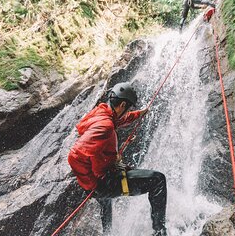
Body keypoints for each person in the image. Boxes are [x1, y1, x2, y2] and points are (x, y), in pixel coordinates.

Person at [68, 82, 167, 236]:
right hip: (103, 181)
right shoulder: (105, 125)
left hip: (99, 174)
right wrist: (94, 185)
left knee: (106, 202)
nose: (129, 111)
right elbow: (75, 156)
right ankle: (160, 232)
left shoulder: (101, 112)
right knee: (158, 180)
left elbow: (118, 120)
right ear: (122, 104)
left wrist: (139, 114)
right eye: (128, 108)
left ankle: (107, 233)